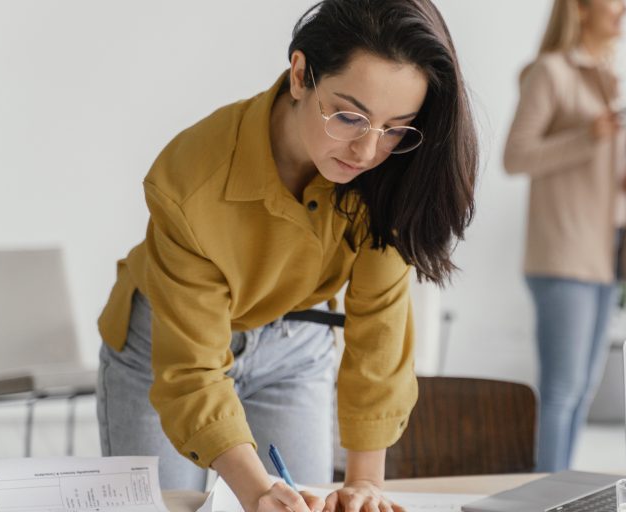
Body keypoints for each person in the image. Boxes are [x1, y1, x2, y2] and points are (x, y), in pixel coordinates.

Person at [95, 0, 478, 510]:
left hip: (297, 340)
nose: (367, 151)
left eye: (395, 128)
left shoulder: (390, 176)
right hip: (166, 343)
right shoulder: (189, 180)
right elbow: (192, 371)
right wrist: (256, 493)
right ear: (300, 74)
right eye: (349, 116)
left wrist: (365, 482)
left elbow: (379, 328)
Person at [503, 0, 626, 472]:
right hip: (563, 252)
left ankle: (561, 488)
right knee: (562, 390)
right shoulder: (549, 72)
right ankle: (545, 494)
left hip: (605, 251)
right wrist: (588, 137)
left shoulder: (604, 76)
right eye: (616, 1)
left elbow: (590, 164)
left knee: (584, 388)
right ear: (581, 9)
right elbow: (516, 156)